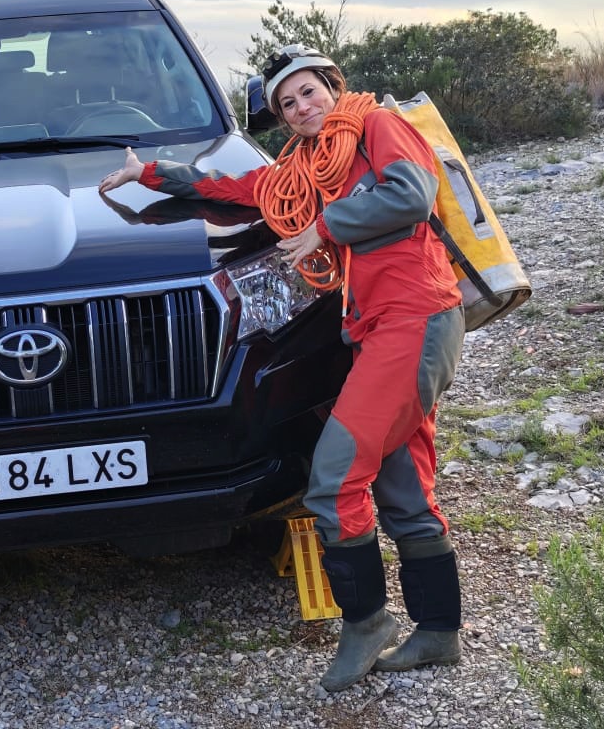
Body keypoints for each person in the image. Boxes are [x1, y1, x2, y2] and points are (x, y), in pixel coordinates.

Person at [98, 45, 465, 692]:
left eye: (308, 92)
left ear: (332, 85)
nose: (300, 107)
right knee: (402, 481)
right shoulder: (302, 166)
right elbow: (236, 189)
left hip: (416, 318)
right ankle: (438, 630)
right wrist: (149, 172)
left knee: (333, 478)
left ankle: (366, 621)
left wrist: (326, 227)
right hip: (376, 327)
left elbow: (412, 193)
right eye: (286, 103)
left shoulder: (376, 125)